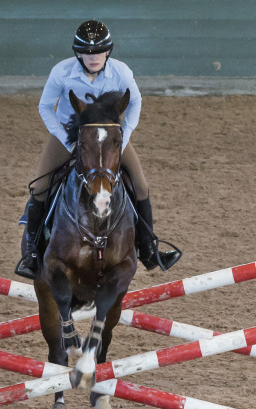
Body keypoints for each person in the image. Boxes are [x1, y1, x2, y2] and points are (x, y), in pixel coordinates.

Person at [14, 19, 181, 280]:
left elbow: (136, 102)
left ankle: (149, 249)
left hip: (109, 137)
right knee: (40, 186)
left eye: (99, 52)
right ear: (78, 54)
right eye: (88, 53)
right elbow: (45, 107)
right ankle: (32, 254)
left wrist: (124, 137)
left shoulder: (121, 72)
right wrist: (67, 140)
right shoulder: (61, 72)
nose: (94, 58)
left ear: (108, 52)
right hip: (70, 134)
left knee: (141, 185)